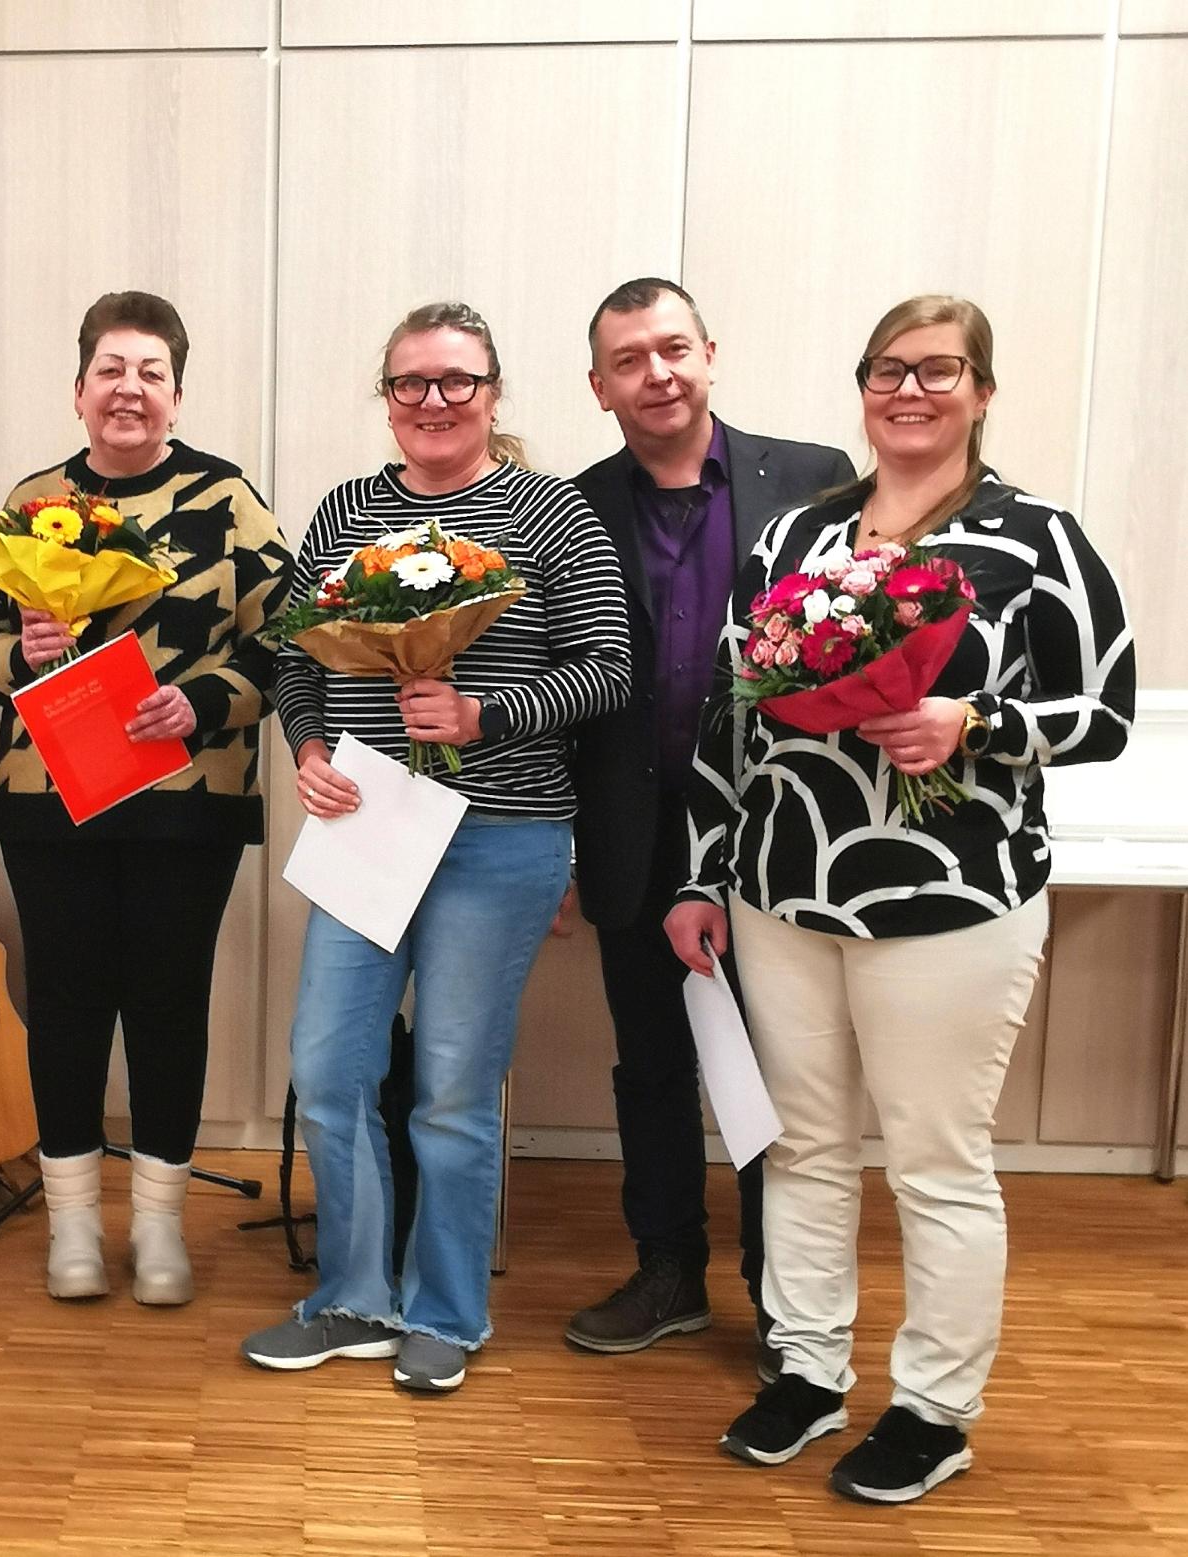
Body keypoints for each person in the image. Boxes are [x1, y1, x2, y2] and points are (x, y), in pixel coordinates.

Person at [666, 295, 1133, 1503]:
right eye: (887, 369)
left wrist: (972, 722)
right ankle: (809, 1371)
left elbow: (1106, 713)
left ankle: (935, 1405)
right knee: (805, 1149)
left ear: (982, 390)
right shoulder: (797, 537)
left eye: (939, 370)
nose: (909, 390)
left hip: (952, 899)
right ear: (861, 388)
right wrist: (702, 870)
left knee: (935, 1160)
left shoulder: (1038, 539)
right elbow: (731, 716)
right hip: (783, 889)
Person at [242, 302, 632, 1390]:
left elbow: (608, 667)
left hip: (500, 838)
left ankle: (447, 1315)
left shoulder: (549, 515)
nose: (433, 402)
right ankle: (354, 1298)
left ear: (494, 395)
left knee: (453, 1089)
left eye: (456, 382)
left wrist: (482, 717)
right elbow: (293, 657)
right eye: (411, 383)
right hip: (365, 826)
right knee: (328, 1070)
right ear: (387, 398)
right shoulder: (351, 510)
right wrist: (312, 743)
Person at [0, 290, 291, 1306]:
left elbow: (290, 649)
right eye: (111, 370)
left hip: (189, 794)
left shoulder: (228, 501)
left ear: (176, 396)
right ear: (80, 390)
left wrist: (205, 703)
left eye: (150, 373)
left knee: (168, 1004)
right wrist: (24, 652)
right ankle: (72, 1231)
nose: (128, 390)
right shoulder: (31, 503)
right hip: (50, 794)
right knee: (64, 1003)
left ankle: (159, 1228)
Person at [565, 278, 855, 1372]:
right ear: (601, 387)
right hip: (630, 833)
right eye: (630, 360)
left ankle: (784, 1298)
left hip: (775, 838)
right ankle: (668, 1271)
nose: (659, 374)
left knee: (775, 1074)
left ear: (711, 353)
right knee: (652, 1066)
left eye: (673, 348)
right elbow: (561, 682)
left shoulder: (818, 481)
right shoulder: (573, 505)